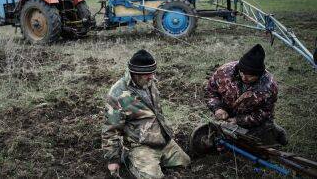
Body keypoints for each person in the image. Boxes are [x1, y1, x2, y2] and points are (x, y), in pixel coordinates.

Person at [102, 49, 191, 179]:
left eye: (152, 72)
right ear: (135, 73)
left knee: (185, 162)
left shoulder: (149, 82)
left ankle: (158, 160)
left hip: (162, 140)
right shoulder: (117, 94)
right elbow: (110, 129)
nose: (151, 77)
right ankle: (129, 159)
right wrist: (112, 160)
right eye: (147, 74)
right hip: (140, 146)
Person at [205, 44, 288, 145]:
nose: (244, 78)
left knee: (252, 142)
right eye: (242, 73)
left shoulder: (269, 87)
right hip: (226, 113)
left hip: (250, 119)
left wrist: (238, 120)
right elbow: (210, 92)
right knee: (223, 134)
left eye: (250, 76)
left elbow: (264, 112)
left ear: (259, 74)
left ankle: (274, 130)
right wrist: (217, 108)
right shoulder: (224, 72)